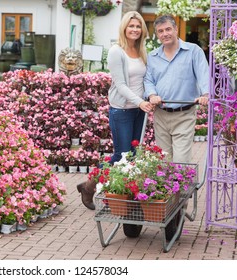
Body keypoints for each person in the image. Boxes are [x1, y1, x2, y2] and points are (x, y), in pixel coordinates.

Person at [77, 11, 154, 210]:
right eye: (131, 26)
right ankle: (89, 186)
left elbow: (145, 80)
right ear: (124, 28)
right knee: (122, 156)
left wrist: (150, 97)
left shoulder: (142, 51)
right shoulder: (116, 51)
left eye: (138, 26)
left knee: (134, 156)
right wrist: (140, 102)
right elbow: (120, 84)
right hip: (122, 110)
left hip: (139, 110)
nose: (135, 29)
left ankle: (125, 196)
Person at [144, 14, 209, 163]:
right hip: (160, 114)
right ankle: (168, 187)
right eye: (160, 31)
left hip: (184, 114)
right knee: (164, 160)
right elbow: (148, 80)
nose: (165, 34)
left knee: (181, 160)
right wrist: (152, 94)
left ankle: (184, 187)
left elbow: (204, 74)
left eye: (168, 29)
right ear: (157, 34)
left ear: (175, 29)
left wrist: (205, 94)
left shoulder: (193, 51)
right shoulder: (152, 56)